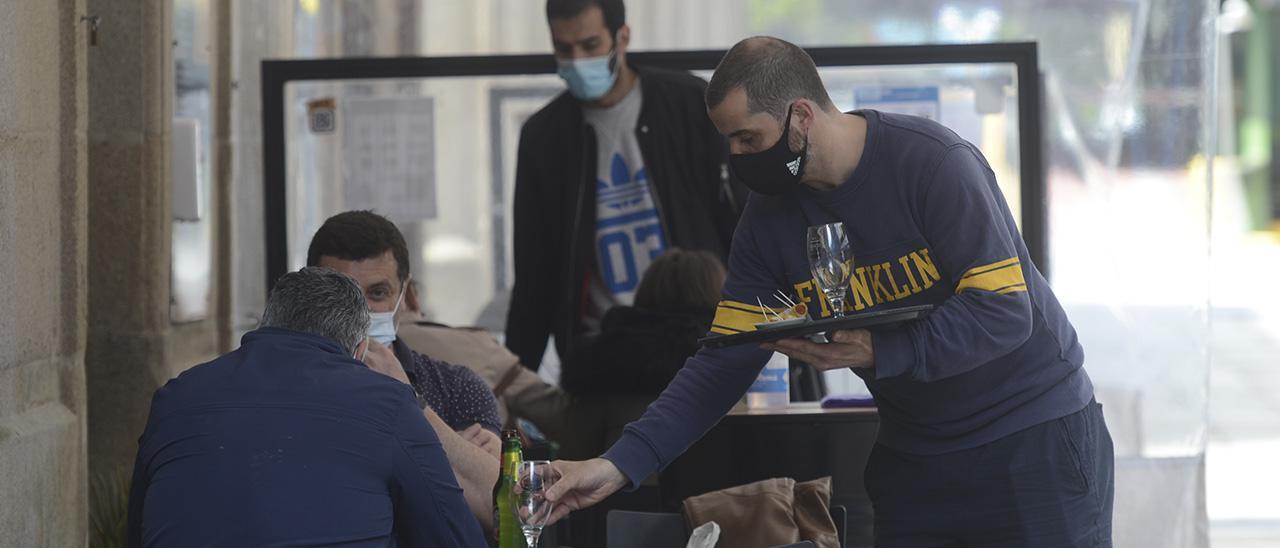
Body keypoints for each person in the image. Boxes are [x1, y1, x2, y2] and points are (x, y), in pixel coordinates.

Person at [545, 37, 1115, 547]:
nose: (736, 159)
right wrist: (618, 463)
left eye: (748, 138)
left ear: (801, 116)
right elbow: (722, 362)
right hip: (917, 456)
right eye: (730, 143)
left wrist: (878, 350)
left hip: (1033, 438)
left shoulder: (934, 164)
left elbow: (1003, 312)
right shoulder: (766, 223)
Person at [125, 267, 486, 547]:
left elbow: (138, 533)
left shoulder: (176, 397)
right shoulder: (388, 403)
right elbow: (456, 539)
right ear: (360, 351)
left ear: (266, 324)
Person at [504, 0, 745, 372]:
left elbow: (742, 223)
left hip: (699, 339)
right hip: (602, 355)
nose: (577, 60)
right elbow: (535, 276)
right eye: (563, 49)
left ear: (623, 37)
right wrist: (514, 387)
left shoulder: (690, 104)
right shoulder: (544, 137)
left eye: (589, 45)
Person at [306, 210, 502, 530]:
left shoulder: (455, 387)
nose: (362, 310)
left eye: (378, 293)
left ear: (406, 295)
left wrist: (407, 398)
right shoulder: (290, 387)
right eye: (344, 294)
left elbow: (499, 507)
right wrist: (444, 457)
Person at [558, 248, 726, 461]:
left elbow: (574, 456)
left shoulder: (597, 365)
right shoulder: (729, 359)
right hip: (720, 491)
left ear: (645, 292)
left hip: (622, 489)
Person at [395, 281, 569, 440]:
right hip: (486, 467)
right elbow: (552, 412)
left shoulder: (375, 352)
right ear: (410, 295)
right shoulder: (474, 345)